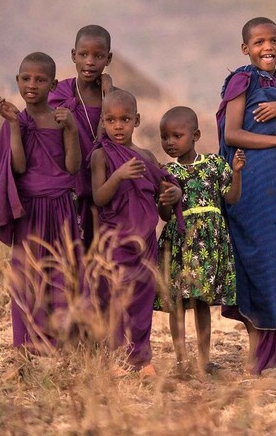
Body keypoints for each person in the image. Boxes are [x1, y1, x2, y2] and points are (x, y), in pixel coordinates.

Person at [216, 17, 276, 375]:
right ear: (246, 49)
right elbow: (233, 134)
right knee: (260, 260)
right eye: (258, 42)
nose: (267, 47)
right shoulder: (241, 82)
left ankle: (270, 354)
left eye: (273, 40)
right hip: (256, 183)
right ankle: (262, 358)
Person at [0, 52, 81, 353]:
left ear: (52, 84)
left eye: (40, 80)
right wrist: (14, 125)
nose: (32, 85)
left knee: (62, 274)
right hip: (30, 210)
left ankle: (60, 346)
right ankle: (23, 348)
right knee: (25, 277)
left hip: (61, 207)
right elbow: (20, 167)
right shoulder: (18, 121)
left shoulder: (62, 118)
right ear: (17, 81)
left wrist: (73, 130)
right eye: (26, 78)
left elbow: (73, 165)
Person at [90, 89, 182, 376]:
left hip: (145, 242)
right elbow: (98, 197)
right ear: (103, 122)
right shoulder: (101, 156)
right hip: (115, 241)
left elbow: (163, 210)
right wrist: (118, 176)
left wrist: (173, 196)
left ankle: (141, 359)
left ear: (137, 120)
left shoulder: (147, 158)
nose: (118, 126)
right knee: (115, 298)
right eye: (111, 120)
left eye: (125, 119)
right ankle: (117, 358)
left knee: (142, 300)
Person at [155, 106, 245, 377]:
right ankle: (182, 360)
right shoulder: (165, 173)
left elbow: (231, 198)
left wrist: (238, 172)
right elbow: (164, 214)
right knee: (178, 303)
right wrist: (166, 201)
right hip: (180, 242)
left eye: (176, 135)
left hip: (209, 243)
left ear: (195, 135)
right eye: (164, 137)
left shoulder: (215, 165)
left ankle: (204, 360)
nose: (170, 142)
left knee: (202, 302)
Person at [49, 25, 114, 249]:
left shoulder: (113, 99)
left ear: (109, 58)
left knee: (98, 253)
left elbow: (108, 137)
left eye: (98, 56)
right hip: (68, 186)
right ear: (73, 55)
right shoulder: (60, 93)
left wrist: (109, 96)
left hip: (101, 185)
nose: (90, 61)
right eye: (83, 54)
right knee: (68, 252)